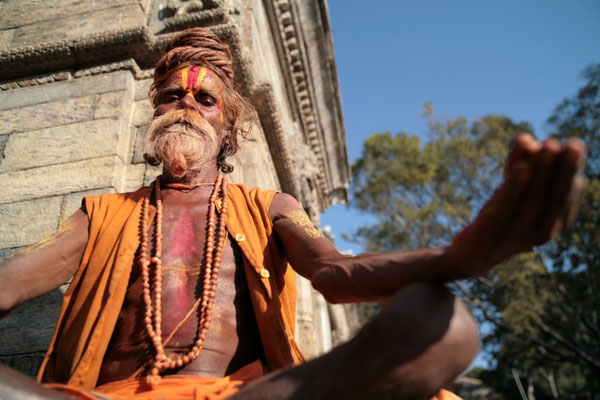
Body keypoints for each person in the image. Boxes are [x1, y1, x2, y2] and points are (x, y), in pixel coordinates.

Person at [0, 27, 586, 400]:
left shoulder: (266, 206)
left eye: (204, 100)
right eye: (172, 96)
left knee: (443, 326)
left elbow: (336, 273)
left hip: (242, 397)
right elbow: (13, 281)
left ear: (230, 129)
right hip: (106, 399)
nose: (186, 106)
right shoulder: (102, 214)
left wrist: (461, 256)